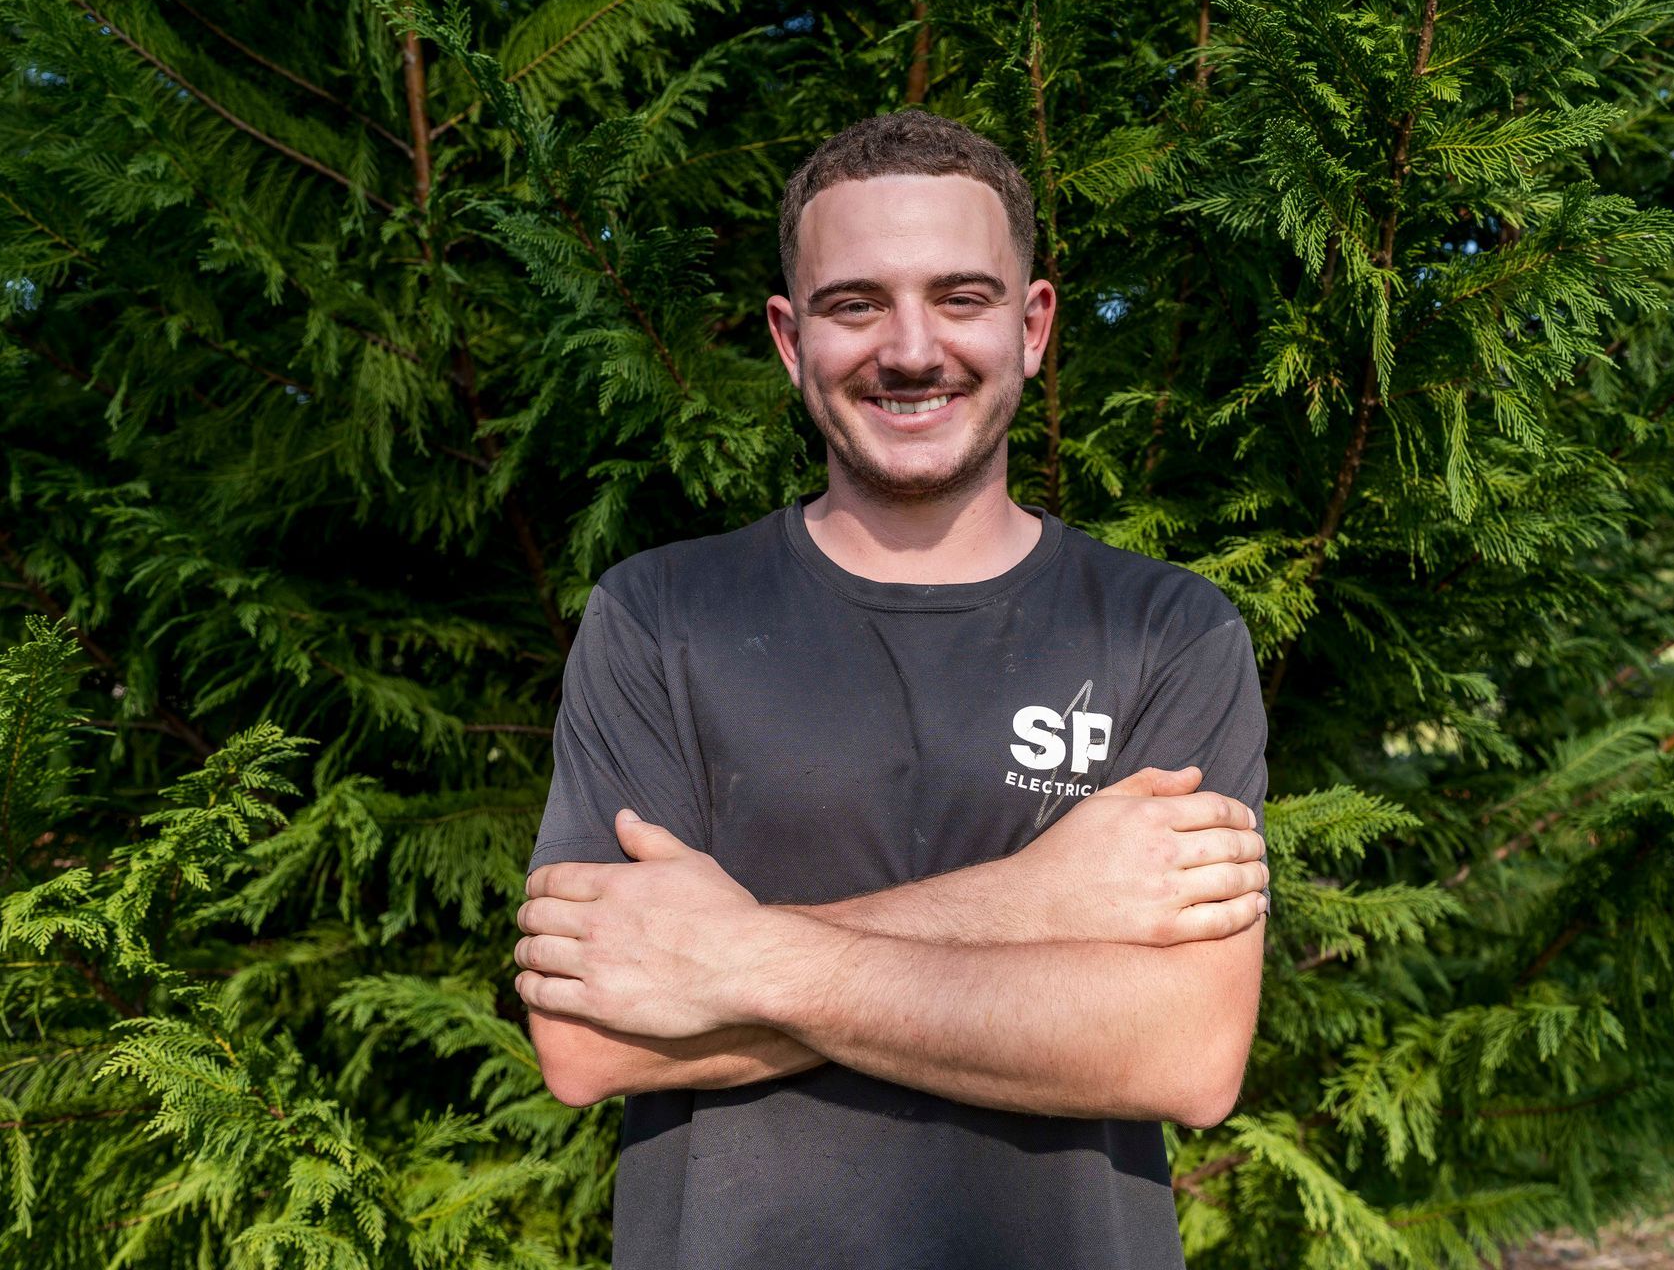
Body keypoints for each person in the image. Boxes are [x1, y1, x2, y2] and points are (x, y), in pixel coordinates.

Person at [512, 109, 1271, 1270]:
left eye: (961, 297)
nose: (911, 348)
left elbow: (1185, 1051)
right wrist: (1034, 902)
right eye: (855, 303)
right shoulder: (659, 618)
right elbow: (585, 1037)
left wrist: (733, 959)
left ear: (1033, 326)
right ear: (787, 337)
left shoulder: (1168, 632)